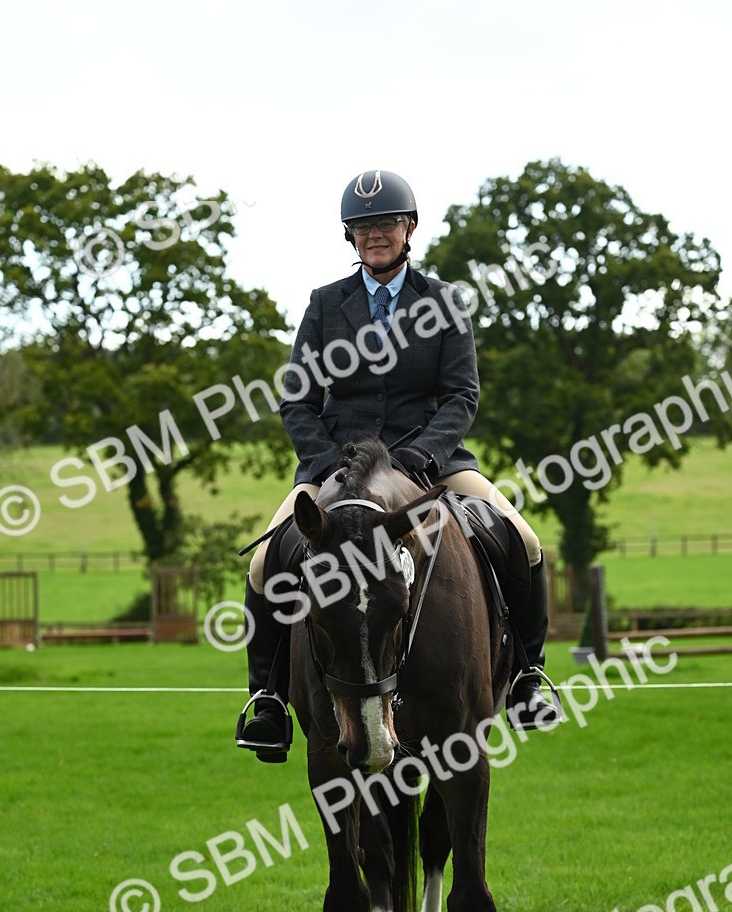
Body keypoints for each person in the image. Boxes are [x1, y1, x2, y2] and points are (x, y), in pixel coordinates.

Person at [236, 170, 559, 762]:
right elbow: (298, 400)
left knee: (525, 540)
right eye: (362, 228)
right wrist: (333, 462)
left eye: (384, 225)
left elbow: (462, 395)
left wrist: (419, 456)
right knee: (262, 563)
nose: (374, 236)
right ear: (350, 238)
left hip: (431, 462)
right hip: (340, 468)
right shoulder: (325, 305)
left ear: (409, 229)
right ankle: (269, 701)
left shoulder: (443, 303)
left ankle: (526, 679)